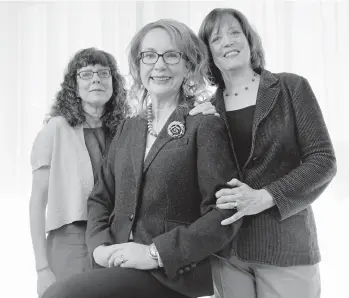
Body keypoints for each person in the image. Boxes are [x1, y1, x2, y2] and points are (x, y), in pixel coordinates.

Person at [42, 19, 242, 298]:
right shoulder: (129, 127)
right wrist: (100, 247)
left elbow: (225, 213)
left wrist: (154, 253)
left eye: (172, 55)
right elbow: (101, 198)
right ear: (138, 65)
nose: (159, 65)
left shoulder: (204, 125)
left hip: (170, 275)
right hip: (117, 267)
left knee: (60, 295)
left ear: (188, 66)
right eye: (149, 55)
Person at [198, 8, 337, 298]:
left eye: (235, 32)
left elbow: (323, 161)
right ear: (208, 53)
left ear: (250, 40)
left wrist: (266, 196)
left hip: (285, 245)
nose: (227, 41)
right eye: (216, 38)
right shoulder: (208, 111)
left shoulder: (290, 87)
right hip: (227, 253)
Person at [29, 47, 129, 297]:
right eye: (86, 73)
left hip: (116, 239)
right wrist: (41, 269)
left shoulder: (126, 130)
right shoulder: (56, 129)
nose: (96, 78)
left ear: (114, 84)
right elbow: (37, 203)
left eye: (103, 73)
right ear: (73, 86)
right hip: (70, 241)